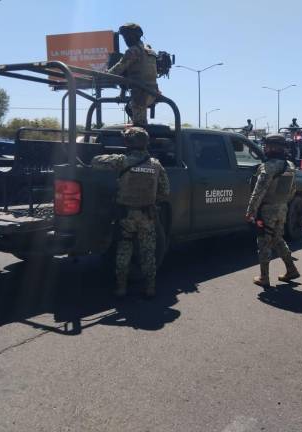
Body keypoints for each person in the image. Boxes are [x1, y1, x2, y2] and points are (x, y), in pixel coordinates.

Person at [91, 127, 170, 298]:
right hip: (147, 215)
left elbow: (95, 161)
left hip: (126, 215)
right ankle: (150, 288)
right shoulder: (156, 165)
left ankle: (121, 288)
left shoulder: (122, 161)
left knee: (124, 249)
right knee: (148, 252)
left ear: (128, 143)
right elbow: (165, 191)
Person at [245, 134, 300, 287]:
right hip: (282, 208)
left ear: (273, 147)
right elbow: (293, 189)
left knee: (263, 241)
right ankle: (291, 269)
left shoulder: (268, 167)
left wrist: (250, 211)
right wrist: (282, 204)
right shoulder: (290, 165)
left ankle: (264, 277)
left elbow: (258, 191)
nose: (264, 148)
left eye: (267, 145)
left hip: (267, 210)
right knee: (277, 238)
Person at [106, 23, 159, 126]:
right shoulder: (150, 50)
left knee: (139, 128)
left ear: (133, 36)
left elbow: (118, 69)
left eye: (126, 37)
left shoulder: (133, 51)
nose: (126, 40)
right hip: (153, 93)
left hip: (141, 95)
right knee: (129, 108)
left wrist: (103, 75)